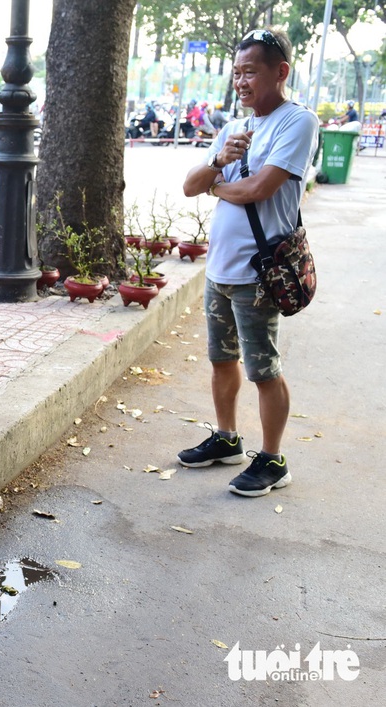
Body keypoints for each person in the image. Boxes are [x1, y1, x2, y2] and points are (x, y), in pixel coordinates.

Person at [180, 28, 317, 498]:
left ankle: (273, 459)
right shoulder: (233, 128)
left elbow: (260, 189)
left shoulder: (297, 122)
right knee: (222, 360)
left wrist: (216, 186)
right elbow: (188, 185)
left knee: (263, 369)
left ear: (280, 72)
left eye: (250, 71)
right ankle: (226, 439)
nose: (240, 81)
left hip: (259, 272)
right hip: (219, 270)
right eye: (236, 72)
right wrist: (220, 159)